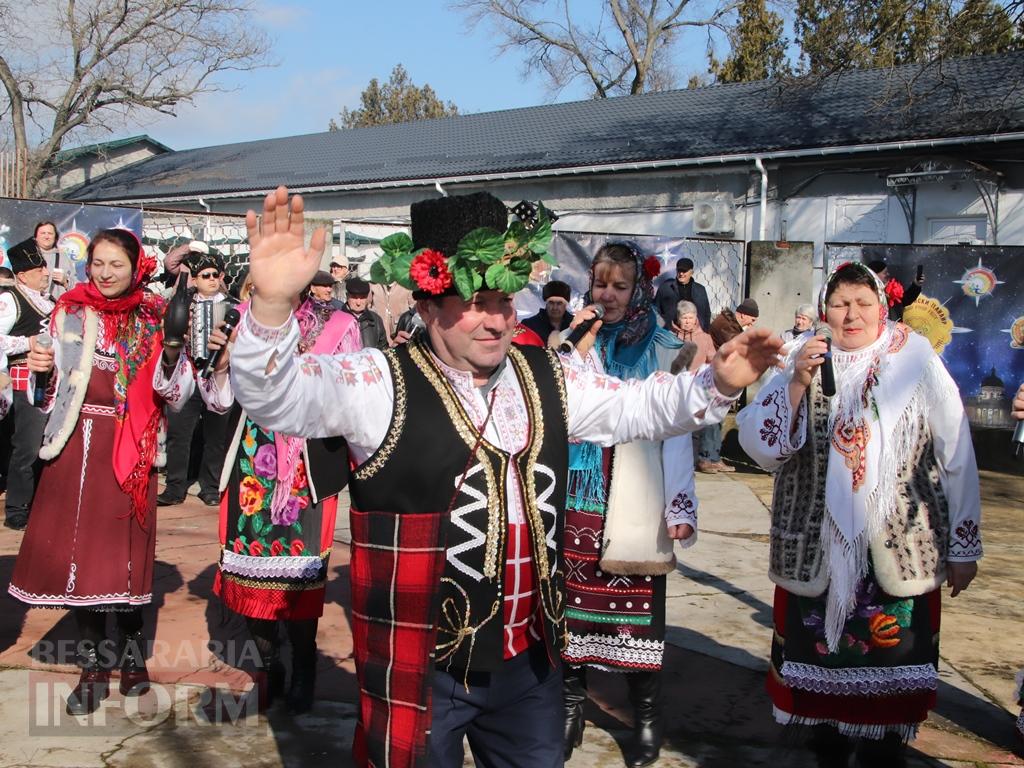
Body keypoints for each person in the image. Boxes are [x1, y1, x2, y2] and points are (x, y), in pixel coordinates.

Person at [227, 186, 781, 768]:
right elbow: (274, 396)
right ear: (426, 304)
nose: (496, 320)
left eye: (504, 301)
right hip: (420, 668)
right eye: (474, 301)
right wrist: (270, 305)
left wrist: (718, 383)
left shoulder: (546, 373)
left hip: (530, 664)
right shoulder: (376, 381)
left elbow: (638, 408)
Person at [737, 261, 981, 768]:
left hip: (896, 550)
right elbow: (762, 448)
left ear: (882, 307)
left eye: (862, 303)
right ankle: (828, 752)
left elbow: (955, 451)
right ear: (825, 309)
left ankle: (882, 755)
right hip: (816, 551)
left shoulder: (914, 359)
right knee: (820, 711)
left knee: (888, 710)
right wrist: (797, 383)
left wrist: (963, 545)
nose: (851, 316)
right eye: (840, 304)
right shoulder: (803, 357)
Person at [7, 228, 192, 715]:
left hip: (131, 449)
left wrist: (172, 357)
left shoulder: (153, 315)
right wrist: (42, 369)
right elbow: (44, 395)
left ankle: (132, 661)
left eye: (117, 265)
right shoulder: (68, 310)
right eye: (99, 263)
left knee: (126, 560)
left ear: (136, 268)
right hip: (74, 448)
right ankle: (93, 669)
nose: (106, 273)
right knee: (79, 563)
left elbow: (178, 393)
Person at [185, 274, 360, 713]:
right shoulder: (238, 320)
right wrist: (222, 362)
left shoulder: (336, 325)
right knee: (251, 568)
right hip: (250, 460)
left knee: (301, 574)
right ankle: (267, 666)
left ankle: (303, 666)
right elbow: (216, 401)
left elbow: (351, 398)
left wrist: (309, 375)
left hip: (306, 466)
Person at [560, 243, 699, 767]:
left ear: (638, 287)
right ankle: (570, 703)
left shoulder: (665, 348)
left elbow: (679, 431)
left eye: (620, 286)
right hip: (578, 496)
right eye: (601, 285)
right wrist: (574, 345)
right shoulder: (573, 344)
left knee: (638, 616)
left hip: (636, 493)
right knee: (568, 607)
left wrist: (681, 505)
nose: (609, 296)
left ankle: (645, 715)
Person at [158, 244, 231, 506]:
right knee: (179, 433)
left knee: (216, 436)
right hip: (188, 372)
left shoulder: (232, 305)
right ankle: (175, 486)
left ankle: (210, 486)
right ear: (195, 278)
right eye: (206, 276)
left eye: (216, 275)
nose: (212, 280)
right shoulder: (182, 302)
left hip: (219, 377)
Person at [0, 244, 55, 529]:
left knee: (48, 443)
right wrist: (28, 342)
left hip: (52, 380)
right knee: (27, 444)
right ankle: (17, 507)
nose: (45, 273)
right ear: (22, 275)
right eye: (38, 269)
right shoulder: (11, 299)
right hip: (24, 377)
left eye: (44, 267)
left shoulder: (50, 300)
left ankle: (40, 502)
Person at [697, 298, 759, 474]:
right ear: (742, 314)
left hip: (721, 378)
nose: (753, 324)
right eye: (752, 320)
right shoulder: (725, 326)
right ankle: (706, 457)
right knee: (712, 417)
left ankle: (714, 457)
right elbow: (738, 348)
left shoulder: (729, 324)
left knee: (717, 418)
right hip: (715, 377)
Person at [654, 257, 711, 332]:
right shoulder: (666, 288)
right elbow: (655, 309)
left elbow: (706, 313)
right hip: (670, 333)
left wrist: (703, 331)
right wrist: (663, 328)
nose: (681, 274)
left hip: (694, 334)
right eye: (679, 270)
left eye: (684, 271)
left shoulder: (700, 290)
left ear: (691, 272)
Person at [521, 280, 574, 346]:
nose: (555, 307)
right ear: (546, 303)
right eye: (551, 302)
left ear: (566, 304)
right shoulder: (529, 325)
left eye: (559, 303)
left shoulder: (574, 325)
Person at [342, 276, 387, 350]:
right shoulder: (337, 319)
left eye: (362, 297)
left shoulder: (376, 320)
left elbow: (383, 349)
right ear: (347, 296)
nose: (358, 303)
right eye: (354, 297)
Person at [673, 299, 715, 373]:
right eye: (684, 318)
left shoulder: (705, 338)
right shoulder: (671, 337)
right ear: (679, 319)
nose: (687, 322)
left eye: (691, 318)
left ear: (695, 318)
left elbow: (712, 363)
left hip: (697, 381)